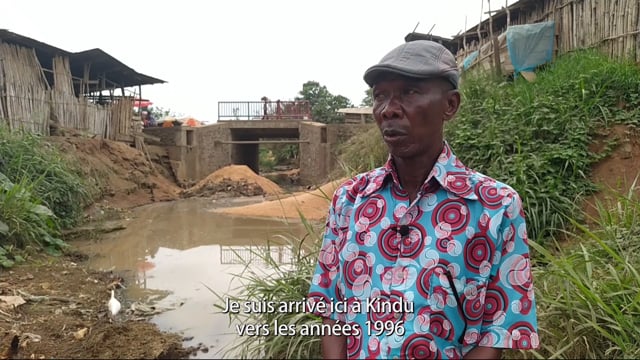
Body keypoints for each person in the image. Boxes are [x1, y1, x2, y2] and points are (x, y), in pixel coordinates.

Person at [307, 40, 539, 359]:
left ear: (450, 105)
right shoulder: (349, 200)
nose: (388, 108)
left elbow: (498, 331)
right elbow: (331, 312)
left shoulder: (495, 206)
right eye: (380, 96)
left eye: (409, 92)